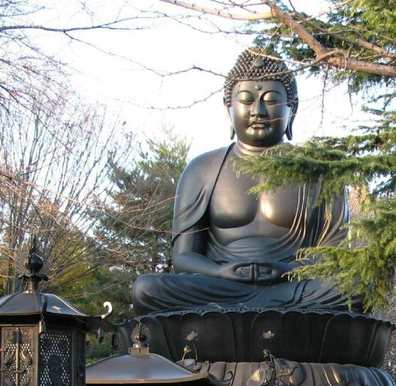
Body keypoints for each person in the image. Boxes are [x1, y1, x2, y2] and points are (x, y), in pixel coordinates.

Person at [132, 50, 356, 315]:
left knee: (355, 287)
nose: (257, 111)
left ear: (291, 109)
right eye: (246, 100)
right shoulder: (201, 169)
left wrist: (288, 271)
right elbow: (183, 257)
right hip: (220, 287)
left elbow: (335, 255)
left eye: (270, 100)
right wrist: (219, 271)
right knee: (146, 288)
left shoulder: (320, 172)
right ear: (229, 108)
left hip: (294, 288)